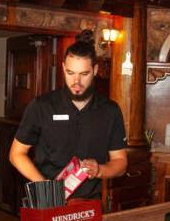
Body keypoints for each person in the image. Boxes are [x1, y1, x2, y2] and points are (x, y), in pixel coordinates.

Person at [9, 30, 127, 201]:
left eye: (84, 74)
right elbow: (16, 154)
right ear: (63, 68)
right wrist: (46, 189)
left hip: (89, 202)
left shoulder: (110, 110)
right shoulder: (42, 106)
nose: (76, 82)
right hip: (47, 199)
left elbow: (120, 162)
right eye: (70, 73)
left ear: (95, 70)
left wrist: (100, 170)